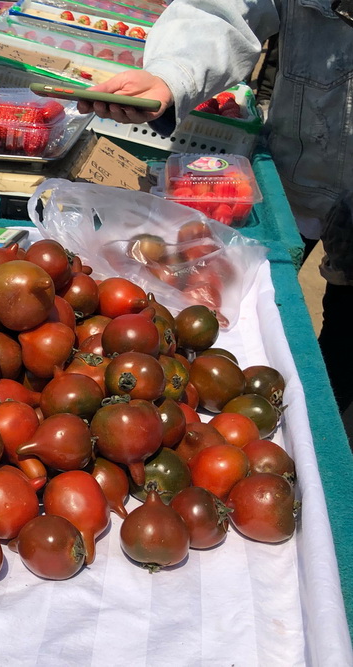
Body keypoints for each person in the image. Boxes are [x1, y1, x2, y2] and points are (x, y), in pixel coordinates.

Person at [78, 0, 353, 421]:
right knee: (256, 303)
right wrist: (172, 74)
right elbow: (225, 7)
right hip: (296, 169)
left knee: (343, 342)